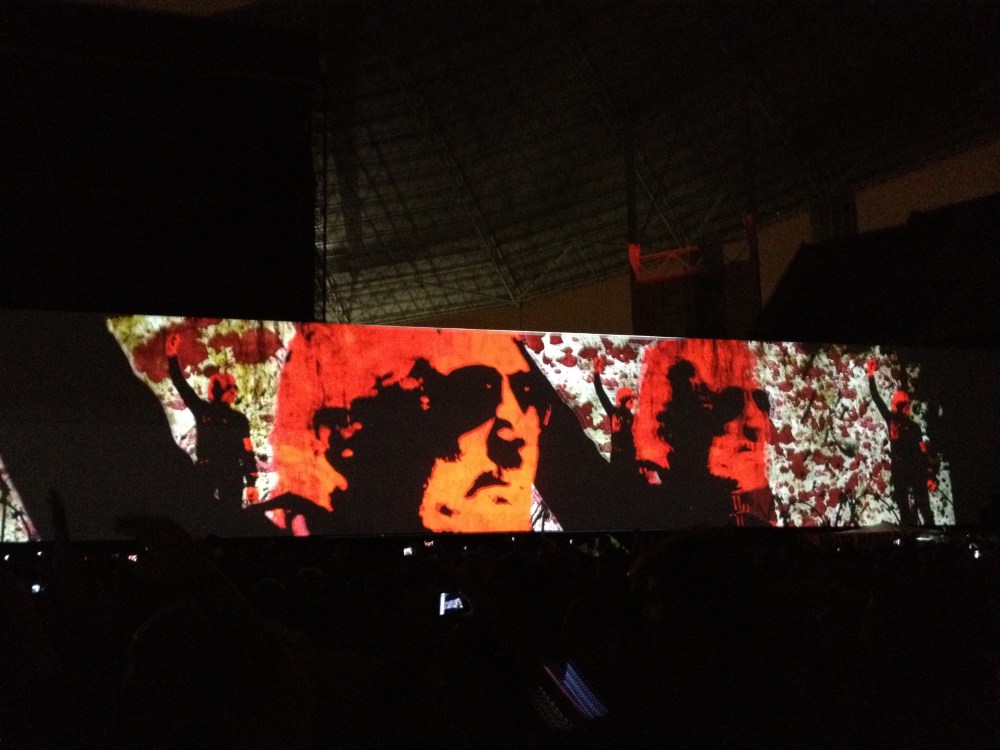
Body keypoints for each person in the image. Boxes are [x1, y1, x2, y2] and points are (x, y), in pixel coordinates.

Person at [165, 332, 258, 513]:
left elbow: (247, 450)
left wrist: (251, 483)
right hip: (208, 473)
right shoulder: (204, 411)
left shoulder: (237, 419)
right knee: (202, 515)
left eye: (233, 388)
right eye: (229, 388)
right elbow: (181, 384)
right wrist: (172, 356)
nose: (233, 392)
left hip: (228, 473)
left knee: (228, 517)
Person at [866, 358, 936, 525]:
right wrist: (929, 475)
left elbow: (876, 398)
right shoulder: (914, 427)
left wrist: (870, 374)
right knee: (925, 510)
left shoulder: (892, 421)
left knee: (905, 511)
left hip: (900, 471)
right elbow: (922, 453)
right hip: (915, 470)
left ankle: (908, 533)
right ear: (906, 407)